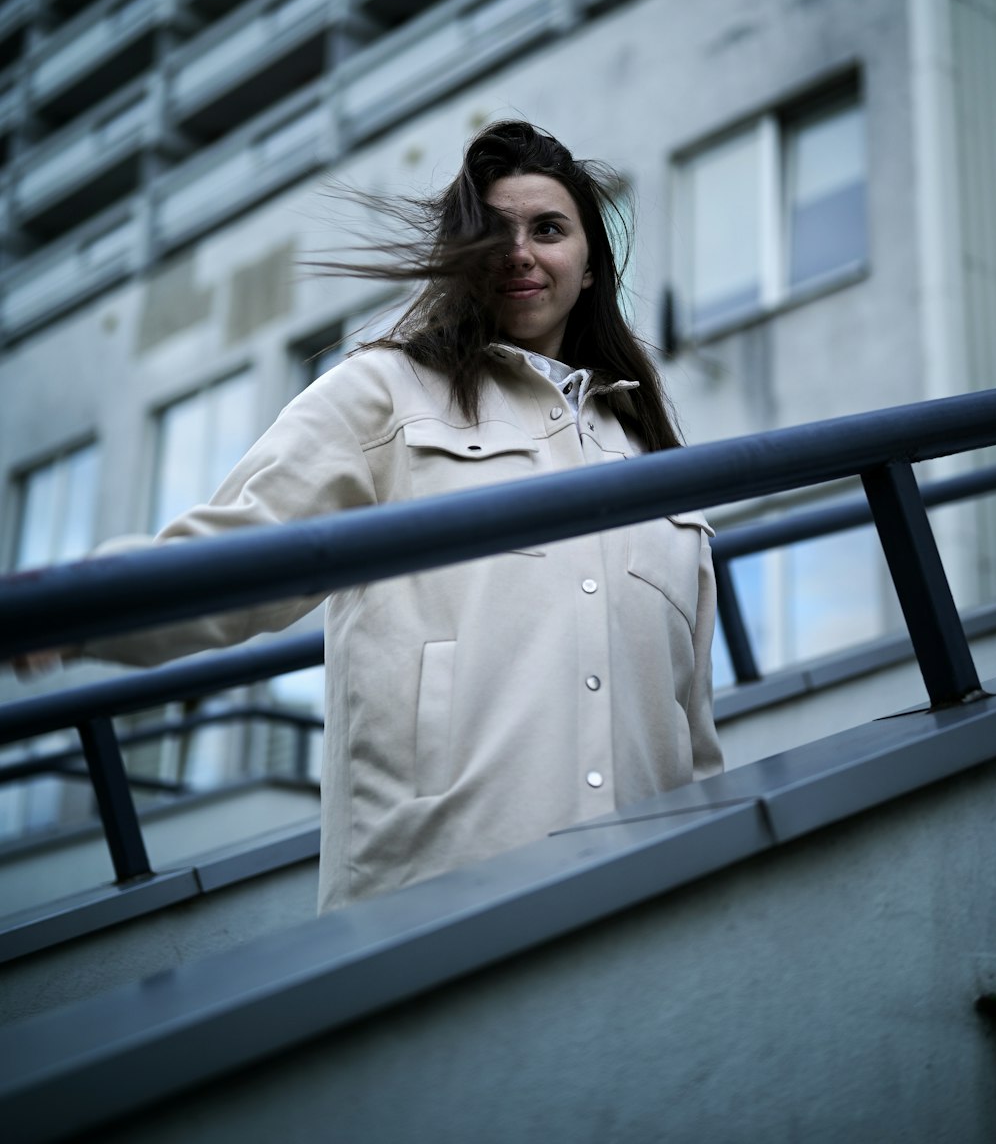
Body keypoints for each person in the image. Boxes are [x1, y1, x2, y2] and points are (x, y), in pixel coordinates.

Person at [24, 120, 722, 913]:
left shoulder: (650, 453)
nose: (520, 252)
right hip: (444, 891)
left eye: (549, 229)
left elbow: (692, 720)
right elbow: (244, 547)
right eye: (493, 232)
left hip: (647, 895)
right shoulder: (386, 392)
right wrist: (81, 609)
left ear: (591, 266)